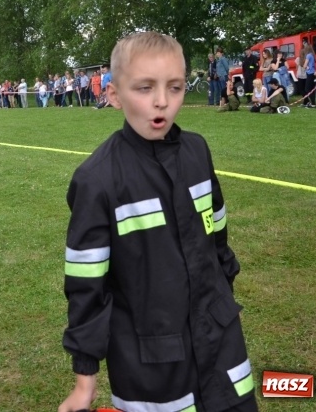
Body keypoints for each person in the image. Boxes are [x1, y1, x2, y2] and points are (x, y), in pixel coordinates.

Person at [58, 32, 256, 412]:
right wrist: (85, 379)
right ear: (114, 95)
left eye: (175, 87)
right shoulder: (97, 180)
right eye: (145, 88)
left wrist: (222, 292)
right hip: (150, 362)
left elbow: (217, 233)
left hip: (221, 340)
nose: (162, 100)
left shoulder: (197, 151)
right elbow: (86, 285)